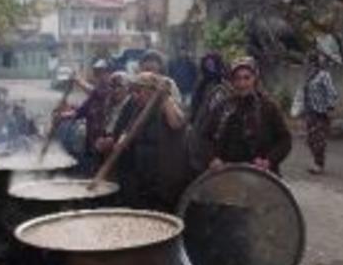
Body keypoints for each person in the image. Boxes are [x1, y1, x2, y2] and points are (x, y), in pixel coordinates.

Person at [201, 56, 292, 175]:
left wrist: (268, 161)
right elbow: (204, 137)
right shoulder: (222, 108)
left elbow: (285, 140)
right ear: (232, 81)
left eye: (247, 78)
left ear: (255, 79)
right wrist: (212, 159)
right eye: (237, 78)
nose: (242, 83)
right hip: (226, 176)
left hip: (261, 176)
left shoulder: (268, 107)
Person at [112, 72, 189, 212]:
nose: (135, 95)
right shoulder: (138, 109)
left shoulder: (167, 105)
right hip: (143, 174)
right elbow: (128, 129)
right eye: (134, 91)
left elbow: (176, 123)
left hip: (164, 176)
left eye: (139, 91)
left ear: (151, 91)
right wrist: (122, 140)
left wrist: (164, 96)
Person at [57, 59, 113, 172]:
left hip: (105, 147)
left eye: (104, 72)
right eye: (98, 73)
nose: (101, 76)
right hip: (90, 144)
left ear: (109, 74)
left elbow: (97, 92)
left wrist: (79, 81)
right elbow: (79, 112)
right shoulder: (92, 99)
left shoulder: (110, 92)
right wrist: (62, 115)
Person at [300, 52, 339, 174]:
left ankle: (319, 164)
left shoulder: (324, 75)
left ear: (314, 63)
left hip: (321, 113)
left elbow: (332, 92)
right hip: (310, 112)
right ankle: (317, 162)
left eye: (308, 62)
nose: (306, 65)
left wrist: (330, 108)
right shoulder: (309, 76)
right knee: (310, 139)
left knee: (318, 140)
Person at [189, 52, 228, 124]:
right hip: (203, 120)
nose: (209, 67)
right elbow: (195, 104)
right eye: (207, 65)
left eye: (211, 64)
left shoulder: (224, 81)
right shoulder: (202, 83)